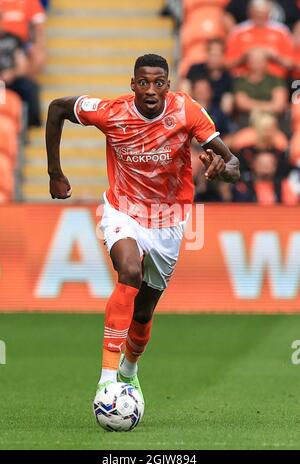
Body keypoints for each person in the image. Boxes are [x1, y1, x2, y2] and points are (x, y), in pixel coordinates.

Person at [45, 54, 240, 405]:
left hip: (170, 219)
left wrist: (221, 168)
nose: (151, 89)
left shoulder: (187, 111)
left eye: (159, 82)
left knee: (145, 311)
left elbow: (234, 165)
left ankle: (129, 372)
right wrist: (54, 172)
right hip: (123, 211)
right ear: (132, 84)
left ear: (169, 84)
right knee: (129, 272)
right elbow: (57, 108)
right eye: (144, 82)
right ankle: (106, 381)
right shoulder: (111, 112)